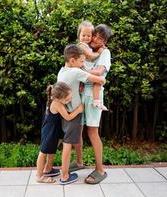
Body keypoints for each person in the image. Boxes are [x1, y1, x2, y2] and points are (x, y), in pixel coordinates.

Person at [57, 44, 106, 185]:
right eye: (81, 61)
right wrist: (102, 79)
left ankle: (76, 164)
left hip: (67, 112)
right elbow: (99, 80)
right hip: (74, 112)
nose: (83, 64)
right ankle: (65, 175)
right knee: (68, 143)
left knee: (71, 140)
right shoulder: (75, 72)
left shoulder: (62, 71)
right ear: (72, 61)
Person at [71, 24, 113, 184]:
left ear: (104, 42)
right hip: (80, 94)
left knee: (92, 132)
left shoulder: (105, 52)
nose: (95, 39)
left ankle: (100, 170)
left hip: (93, 96)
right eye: (95, 35)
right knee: (77, 128)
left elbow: (99, 72)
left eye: (100, 38)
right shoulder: (86, 50)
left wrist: (80, 70)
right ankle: (80, 161)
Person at [36, 82, 84, 183]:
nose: (69, 100)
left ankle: (48, 169)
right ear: (58, 98)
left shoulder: (53, 99)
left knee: (50, 150)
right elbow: (68, 117)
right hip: (50, 131)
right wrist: (78, 110)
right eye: (67, 99)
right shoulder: (57, 104)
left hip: (52, 129)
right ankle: (39, 176)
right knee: (43, 152)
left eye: (70, 97)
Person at [77, 20, 108, 111]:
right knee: (99, 79)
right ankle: (96, 100)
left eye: (89, 36)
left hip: (86, 70)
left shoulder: (88, 46)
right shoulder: (82, 45)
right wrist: (99, 52)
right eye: (83, 35)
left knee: (99, 79)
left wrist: (101, 47)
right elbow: (90, 57)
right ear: (79, 36)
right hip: (82, 69)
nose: (86, 38)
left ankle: (96, 100)